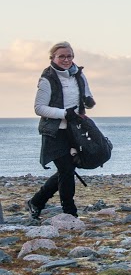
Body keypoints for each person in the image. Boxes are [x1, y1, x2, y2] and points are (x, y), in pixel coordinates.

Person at [26, 41, 95, 219]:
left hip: (75, 131)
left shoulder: (79, 75)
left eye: (69, 56)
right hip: (54, 131)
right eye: (62, 56)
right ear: (53, 58)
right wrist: (65, 113)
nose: (66, 59)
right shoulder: (47, 79)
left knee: (68, 169)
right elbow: (39, 108)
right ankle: (70, 213)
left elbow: (86, 94)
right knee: (66, 170)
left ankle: (37, 201)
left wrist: (88, 101)